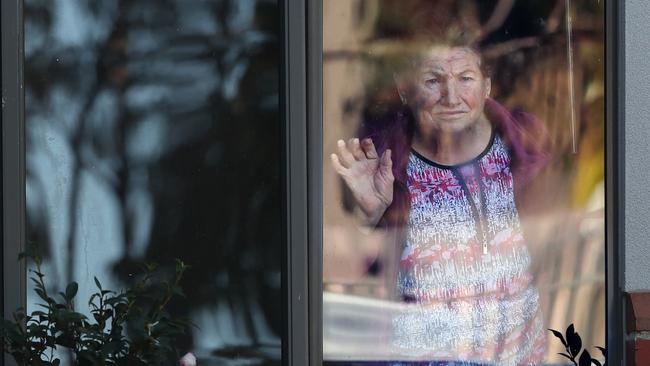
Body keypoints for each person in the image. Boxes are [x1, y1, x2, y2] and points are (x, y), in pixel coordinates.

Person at [330, 34, 549, 365]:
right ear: (406, 90)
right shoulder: (387, 163)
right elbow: (353, 269)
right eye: (433, 80)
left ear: (486, 86)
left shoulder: (521, 145)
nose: (451, 96)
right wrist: (372, 216)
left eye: (465, 79)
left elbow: (555, 235)